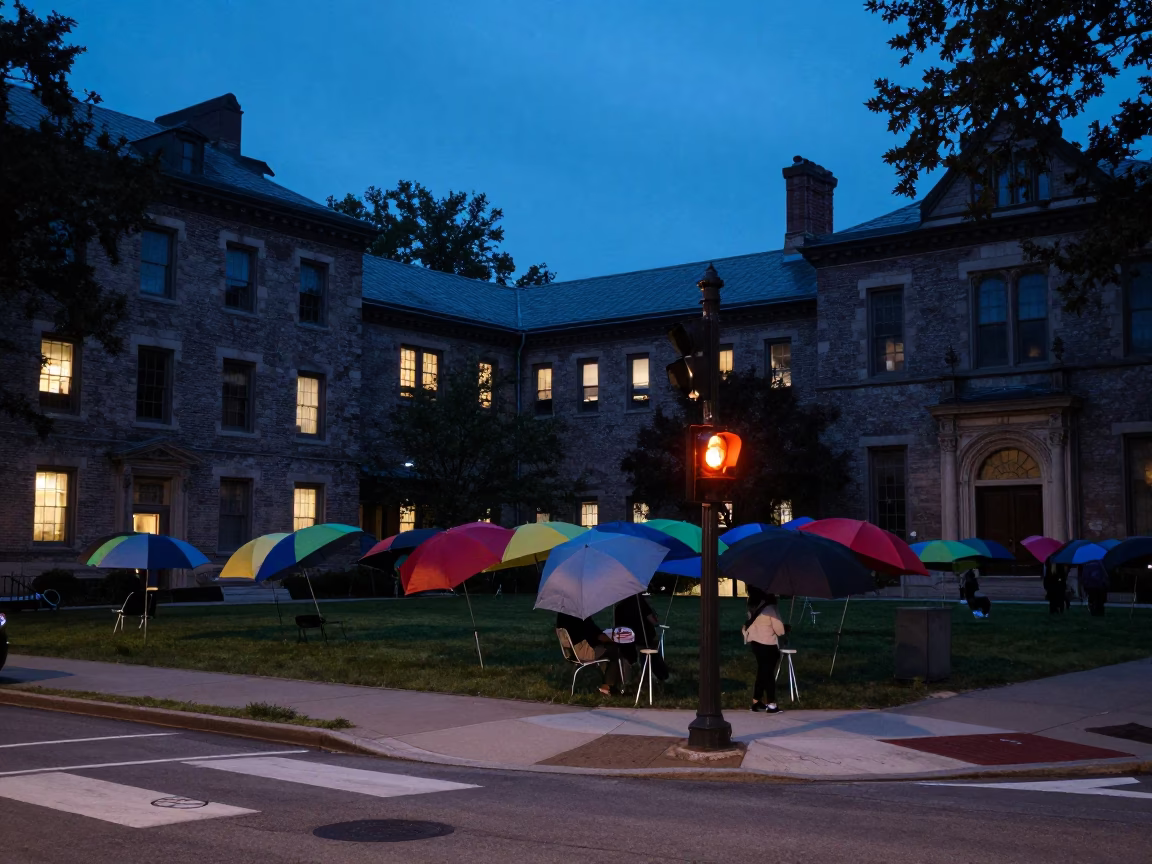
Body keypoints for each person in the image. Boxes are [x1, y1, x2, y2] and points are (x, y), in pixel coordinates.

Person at [555, 611, 628, 695]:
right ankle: (606, 687)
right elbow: (596, 635)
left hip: (571, 652)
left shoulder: (562, 615)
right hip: (582, 651)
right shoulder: (580, 616)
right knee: (615, 651)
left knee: (607, 649)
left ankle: (610, 682)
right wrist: (613, 638)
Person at [742, 587, 788, 714]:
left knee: (762, 671)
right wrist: (786, 628)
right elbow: (779, 630)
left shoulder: (752, 605)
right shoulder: (771, 608)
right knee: (768, 674)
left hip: (755, 643)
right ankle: (771, 703)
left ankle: (756, 701)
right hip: (768, 644)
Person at [613, 593, 669, 682]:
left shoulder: (619, 607)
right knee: (653, 646)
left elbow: (617, 627)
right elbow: (654, 621)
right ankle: (658, 675)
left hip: (625, 641)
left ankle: (627, 679)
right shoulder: (640, 604)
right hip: (643, 639)